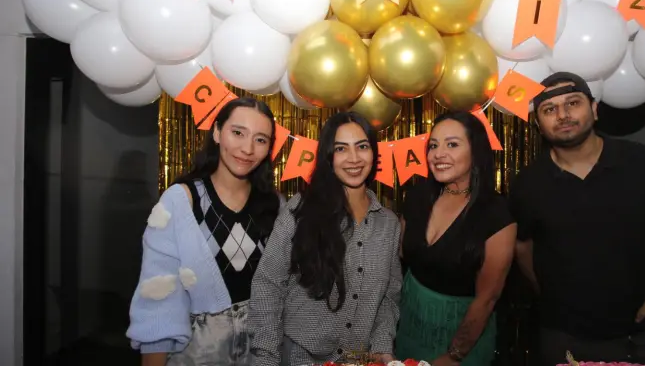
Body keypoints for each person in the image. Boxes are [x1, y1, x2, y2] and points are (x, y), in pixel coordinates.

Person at [509, 72, 645, 366]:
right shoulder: (528, 184)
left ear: (594, 109)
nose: (563, 115)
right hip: (564, 339)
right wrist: (551, 297)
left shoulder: (644, 163)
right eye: (549, 109)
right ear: (538, 123)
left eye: (573, 103)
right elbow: (522, 247)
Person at [127, 98, 283, 366]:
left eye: (260, 140)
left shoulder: (276, 205)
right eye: (238, 133)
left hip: (262, 350)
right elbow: (159, 295)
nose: (247, 148)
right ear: (217, 132)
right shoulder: (181, 201)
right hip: (197, 352)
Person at [248, 112, 401, 366]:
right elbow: (268, 284)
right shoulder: (301, 209)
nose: (353, 158)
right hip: (299, 358)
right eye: (341, 149)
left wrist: (383, 346)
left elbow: (388, 297)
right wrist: (265, 357)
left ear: (373, 153)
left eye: (362, 147)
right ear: (329, 157)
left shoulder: (388, 223)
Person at [396, 111, 517, 366]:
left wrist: (454, 356)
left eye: (452, 144)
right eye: (433, 145)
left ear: (476, 151)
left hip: (462, 341)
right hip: (408, 330)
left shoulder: (496, 213)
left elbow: (488, 298)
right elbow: (402, 258)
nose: (438, 154)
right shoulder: (418, 196)